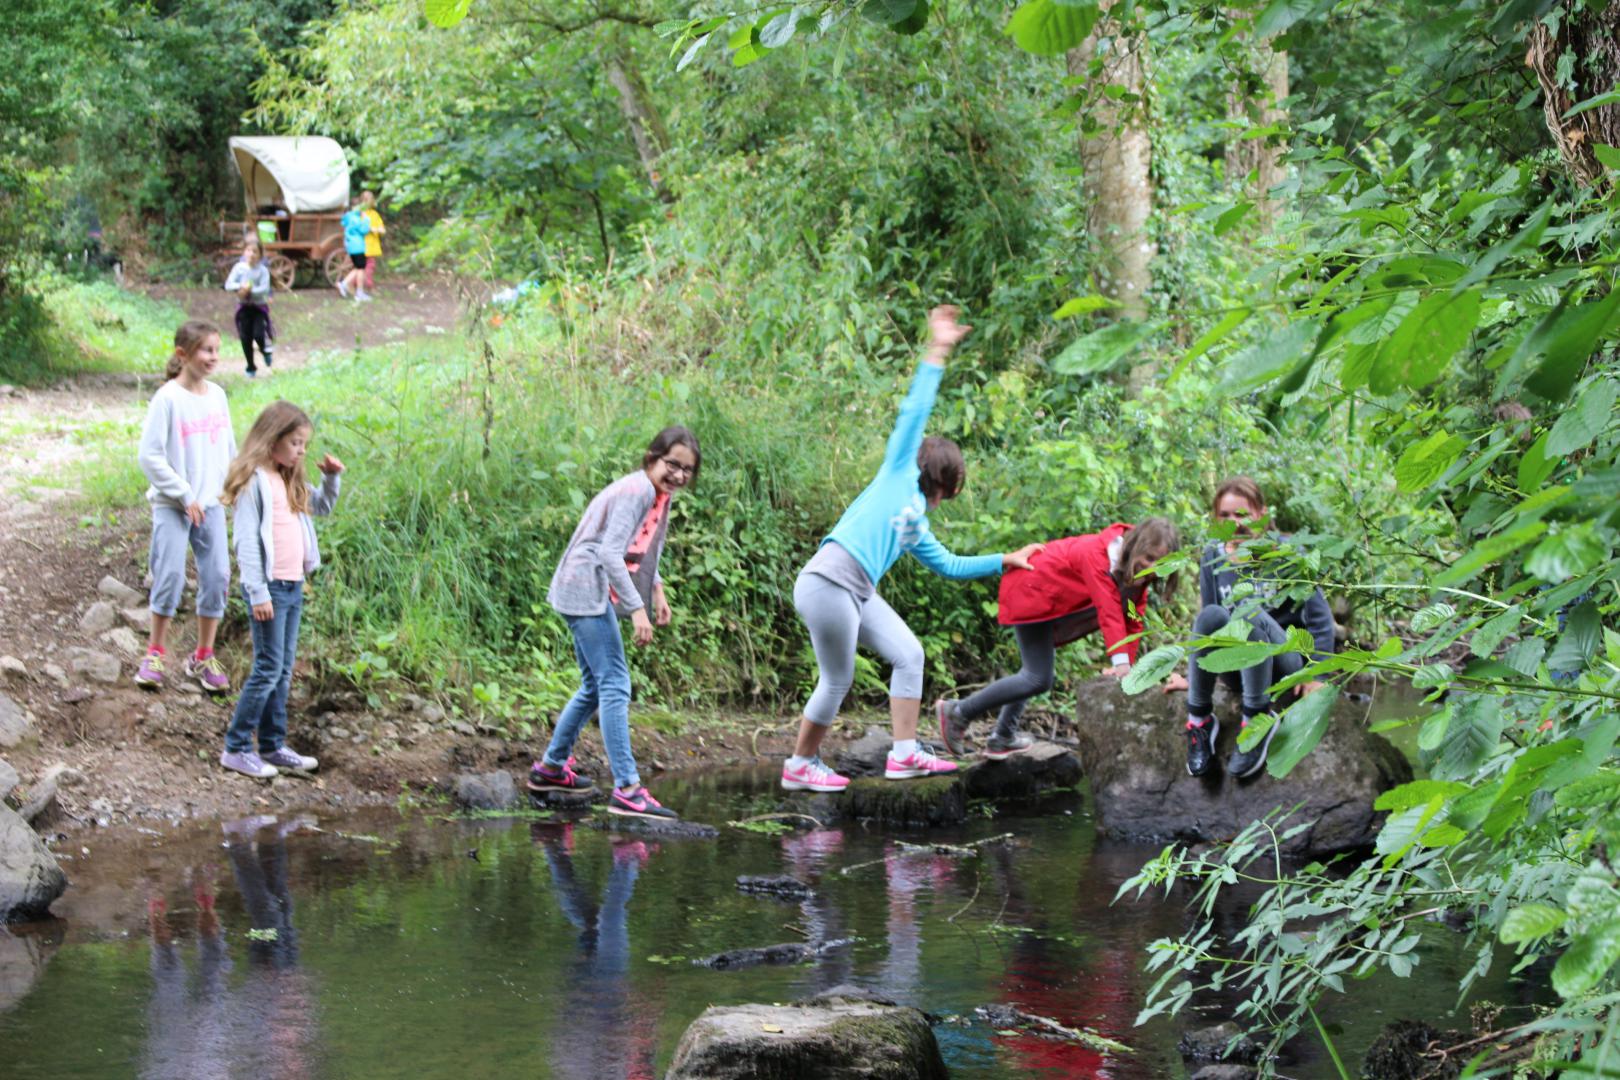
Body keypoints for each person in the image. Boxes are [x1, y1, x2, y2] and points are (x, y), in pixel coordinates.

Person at [781, 305, 1042, 794]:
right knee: (836, 680)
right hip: (827, 580)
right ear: (942, 478)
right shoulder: (899, 470)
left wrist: (1003, 560)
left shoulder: (915, 521)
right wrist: (937, 350)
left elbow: (947, 563)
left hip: (855, 589)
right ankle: (800, 763)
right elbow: (914, 410)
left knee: (909, 654)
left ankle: (904, 755)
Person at [526, 426, 701, 820]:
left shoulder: (659, 495)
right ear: (653, 457)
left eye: (687, 470)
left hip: (589, 585)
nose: (678, 475)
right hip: (585, 584)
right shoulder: (638, 490)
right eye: (672, 464)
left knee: (595, 685)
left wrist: (656, 590)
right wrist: (636, 607)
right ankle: (628, 789)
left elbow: (640, 544)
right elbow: (608, 552)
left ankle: (551, 769)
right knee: (615, 683)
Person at [937, 518, 1182, 760]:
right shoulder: (1098, 555)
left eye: (1160, 564)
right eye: (1149, 559)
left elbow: (1132, 617)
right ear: (1136, 547)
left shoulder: (1137, 572)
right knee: (1037, 677)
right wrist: (1122, 666)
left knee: (1034, 674)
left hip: (1051, 597)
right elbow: (1109, 610)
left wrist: (1126, 664)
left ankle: (1002, 737)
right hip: (1031, 587)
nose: (1151, 568)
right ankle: (958, 712)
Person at [1170, 476, 1335, 778]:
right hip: (1237, 669)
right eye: (1226, 515)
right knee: (1211, 614)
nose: (1234, 522)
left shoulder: (1285, 554)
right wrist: (1196, 677)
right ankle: (1199, 722)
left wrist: (1317, 674)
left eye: (1242, 514)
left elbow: (1320, 618)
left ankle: (1256, 720)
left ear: (1260, 515)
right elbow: (1211, 626)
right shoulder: (1212, 555)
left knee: (1246, 611)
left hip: (1281, 663)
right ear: (1215, 519)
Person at [219, 401, 344, 779]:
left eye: (304, 443)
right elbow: (245, 541)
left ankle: (273, 745)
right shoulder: (256, 482)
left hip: (292, 586)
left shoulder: (289, 479)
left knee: (283, 670)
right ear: (271, 440)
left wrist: (332, 478)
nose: (301, 451)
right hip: (269, 589)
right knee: (268, 668)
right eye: (295, 443)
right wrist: (257, 591)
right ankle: (237, 747)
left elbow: (320, 506)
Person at [134, 321, 237, 695]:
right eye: (206, 350)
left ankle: (203, 656)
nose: (214, 357)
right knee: (170, 576)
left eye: (216, 349)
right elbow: (149, 456)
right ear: (183, 354)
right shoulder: (167, 399)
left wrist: (233, 487)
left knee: (217, 577)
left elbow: (227, 448)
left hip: (209, 505)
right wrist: (182, 493)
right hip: (173, 506)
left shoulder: (218, 396)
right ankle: (155, 653)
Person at [223, 237, 274, 378]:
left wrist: (250, 290)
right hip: (243, 308)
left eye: (255, 252)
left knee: (258, 334)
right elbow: (228, 284)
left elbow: (264, 289)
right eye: (248, 250)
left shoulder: (263, 271)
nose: (251, 254)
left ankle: (265, 351)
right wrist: (240, 288)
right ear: (244, 252)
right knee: (245, 338)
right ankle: (250, 366)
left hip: (258, 308)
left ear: (260, 255)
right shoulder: (239, 268)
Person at [336, 198, 371, 302]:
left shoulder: (348, 217)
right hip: (358, 246)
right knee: (361, 269)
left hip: (351, 246)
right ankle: (359, 293)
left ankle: (344, 284)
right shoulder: (356, 219)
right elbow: (364, 230)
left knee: (357, 267)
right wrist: (366, 219)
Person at [360, 191, 386, 293]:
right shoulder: (360, 214)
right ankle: (367, 285)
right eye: (365, 200)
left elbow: (382, 229)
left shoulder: (374, 215)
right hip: (363, 246)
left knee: (368, 266)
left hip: (371, 247)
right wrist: (371, 229)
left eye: (368, 200)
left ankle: (365, 285)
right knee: (366, 267)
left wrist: (378, 230)